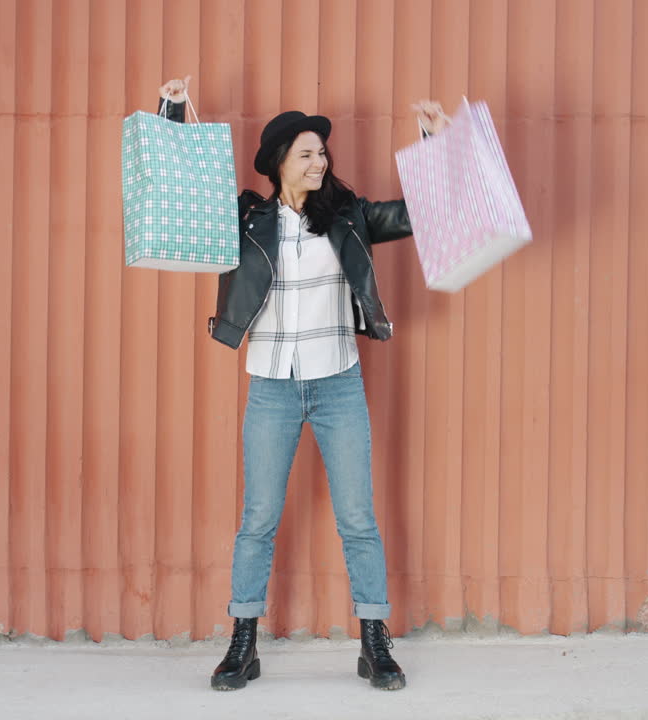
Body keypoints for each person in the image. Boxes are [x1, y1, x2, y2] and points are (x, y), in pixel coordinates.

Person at [156, 76, 448, 692]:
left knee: (358, 519)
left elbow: (416, 213)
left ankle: (375, 643)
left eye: (323, 153)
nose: (320, 162)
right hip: (272, 387)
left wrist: (430, 141)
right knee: (258, 518)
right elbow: (182, 188)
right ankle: (243, 644)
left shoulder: (348, 218)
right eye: (308, 153)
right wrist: (173, 111)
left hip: (338, 383)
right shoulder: (246, 218)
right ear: (280, 161)